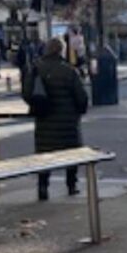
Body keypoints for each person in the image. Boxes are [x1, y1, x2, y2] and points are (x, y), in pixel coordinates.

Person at [21, 37, 88, 201]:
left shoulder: (36, 69)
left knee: (44, 155)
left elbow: (27, 93)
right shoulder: (69, 71)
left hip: (44, 120)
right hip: (68, 121)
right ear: (61, 51)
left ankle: (43, 187)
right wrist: (79, 111)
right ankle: (71, 185)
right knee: (71, 154)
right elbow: (81, 97)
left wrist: (38, 106)